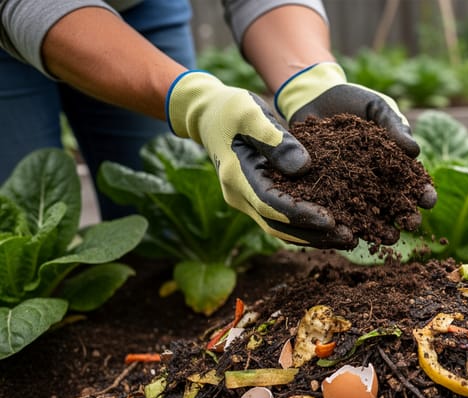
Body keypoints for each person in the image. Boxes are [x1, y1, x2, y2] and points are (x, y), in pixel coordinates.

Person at [0, 0, 435, 249]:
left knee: (157, 222)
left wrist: (309, 78)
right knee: (24, 228)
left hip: (142, 6)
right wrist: (195, 104)